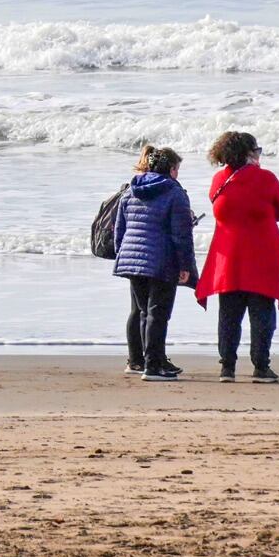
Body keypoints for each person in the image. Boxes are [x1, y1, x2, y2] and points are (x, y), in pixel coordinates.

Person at [195, 131, 279, 383]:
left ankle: (227, 368)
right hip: (262, 254)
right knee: (262, 314)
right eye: (257, 150)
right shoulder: (266, 178)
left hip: (228, 257)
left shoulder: (219, 178)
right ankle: (261, 367)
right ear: (248, 153)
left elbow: (218, 205)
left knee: (229, 315)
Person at [112, 145, 196, 382]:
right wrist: (186, 266)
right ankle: (153, 366)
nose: (178, 174)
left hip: (131, 258)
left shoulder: (131, 190)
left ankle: (144, 362)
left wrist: (123, 254)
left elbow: (120, 228)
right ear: (171, 169)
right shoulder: (175, 193)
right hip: (161, 260)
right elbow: (181, 235)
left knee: (143, 313)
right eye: (177, 168)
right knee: (157, 314)